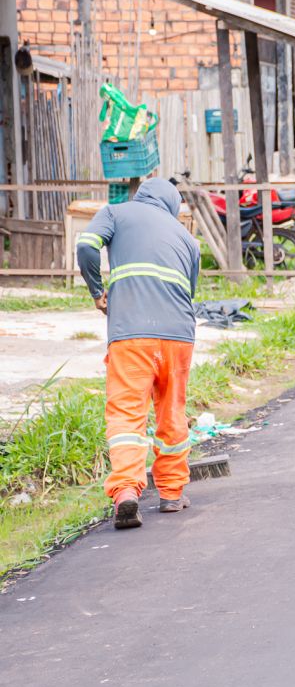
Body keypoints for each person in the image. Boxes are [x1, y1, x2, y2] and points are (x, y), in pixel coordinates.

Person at [76, 178, 201, 529]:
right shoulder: (186, 238)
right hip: (179, 335)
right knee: (172, 412)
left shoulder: (115, 212)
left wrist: (97, 291)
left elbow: (86, 246)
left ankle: (127, 492)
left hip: (131, 334)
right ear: (171, 206)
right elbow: (189, 291)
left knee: (127, 416)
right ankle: (172, 494)